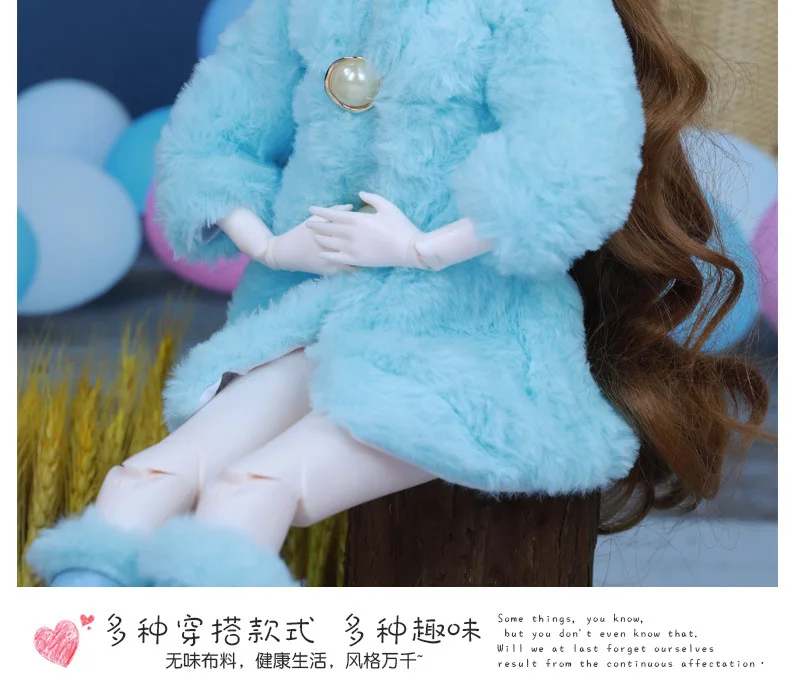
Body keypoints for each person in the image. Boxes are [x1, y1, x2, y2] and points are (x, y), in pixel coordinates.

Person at [27, 0, 769, 587]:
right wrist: (273, 245)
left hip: (471, 332)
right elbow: (212, 131)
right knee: (143, 478)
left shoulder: (540, 10)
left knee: (250, 486)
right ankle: (77, 644)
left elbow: (571, 163)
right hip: (316, 311)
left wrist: (419, 248)